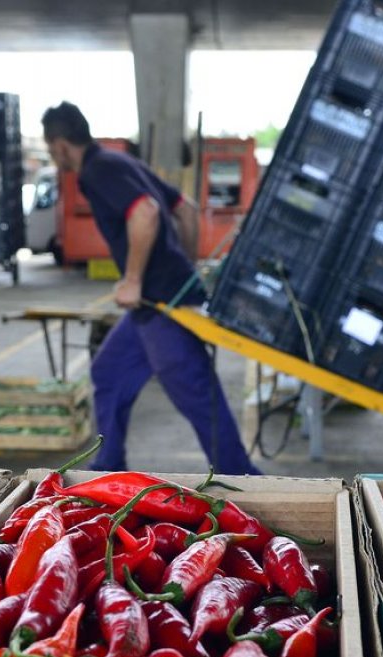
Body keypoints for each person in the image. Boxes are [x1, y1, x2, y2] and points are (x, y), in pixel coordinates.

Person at [42, 101, 259, 475]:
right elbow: (187, 209)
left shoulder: (97, 170)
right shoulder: (122, 162)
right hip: (158, 301)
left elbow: (145, 212)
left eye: (49, 148)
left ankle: (244, 478)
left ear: (60, 144)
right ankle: (108, 463)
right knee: (108, 371)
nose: (52, 155)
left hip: (161, 303)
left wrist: (134, 278)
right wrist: (184, 267)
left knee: (195, 394)